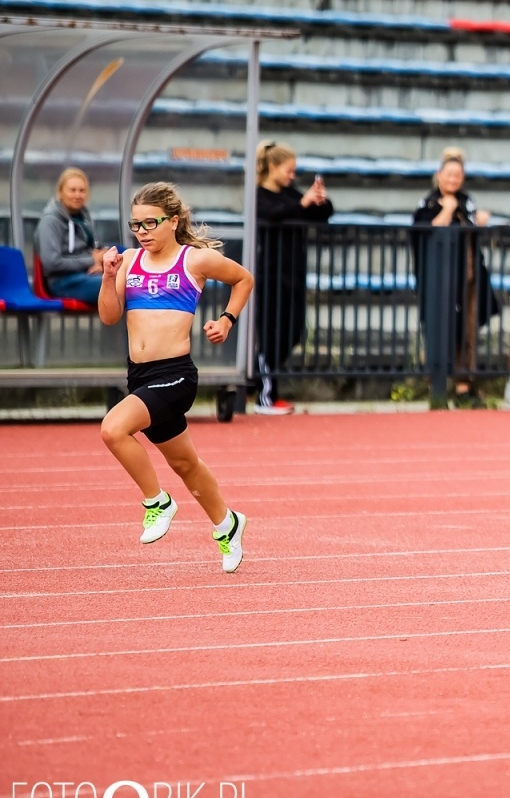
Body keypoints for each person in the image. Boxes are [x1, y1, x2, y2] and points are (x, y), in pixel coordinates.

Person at [98, 182, 254, 573]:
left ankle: (157, 502)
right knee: (186, 464)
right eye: (136, 224)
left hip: (175, 376)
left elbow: (243, 279)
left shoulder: (193, 260)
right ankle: (227, 523)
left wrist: (227, 320)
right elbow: (109, 316)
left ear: (173, 221)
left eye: (151, 222)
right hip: (140, 376)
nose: (143, 231)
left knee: (113, 429)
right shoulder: (130, 261)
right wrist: (107, 277)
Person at [254, 140, 333, 415]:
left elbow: (320, 215)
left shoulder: (290, 194)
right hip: (270, 275)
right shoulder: (259, 195)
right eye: (289, 170)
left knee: (295, 331)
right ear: (273, 167)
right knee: (271, 334)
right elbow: (272, 215)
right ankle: (266, 395)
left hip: (293, 273)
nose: (292, 176)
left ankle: (260, 378)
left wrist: (320, 200)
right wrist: (302, 203)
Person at [412, 148, 497, 405]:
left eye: (458, 175)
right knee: (439, 329)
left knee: (467, 331)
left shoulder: (467, 201)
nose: (453, 180)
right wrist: (446, 211)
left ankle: (463, 387)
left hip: (467, 279)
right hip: (439, 282)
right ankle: (436, 388)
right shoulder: (428, 203)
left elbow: (471, 232)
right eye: (448, 175)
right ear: (439, 176)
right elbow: (423, 233)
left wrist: (480, 222)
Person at [36, 168, 109, 304]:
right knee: (113, 285)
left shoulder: (84, 217)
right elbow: (52, 263)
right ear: (60, 192)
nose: (77, 195)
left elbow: (96, 247)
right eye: (72, 190)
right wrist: (91, 260)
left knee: (123, 254)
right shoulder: (50, 221)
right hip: (63, 281)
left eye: (82, 191)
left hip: (87, 274)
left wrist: (101, 262)